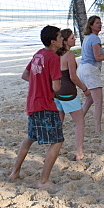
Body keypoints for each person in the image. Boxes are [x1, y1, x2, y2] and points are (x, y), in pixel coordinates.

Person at [9, 25, 64, 189]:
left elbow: (25, 75)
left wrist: (39, 84)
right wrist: (50, 86)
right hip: (45, 105)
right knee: (57, 141)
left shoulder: (38, 54)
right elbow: (56, 87)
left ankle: (14, 172)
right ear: (53, 41)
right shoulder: (53, 57)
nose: (62, 39)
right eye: (60, 36)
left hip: (33, 103)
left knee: (30, 137)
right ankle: (43, 181)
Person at [55, 28, 90, 161]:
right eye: (72, 38)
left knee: (59, 122)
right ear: (65, 41)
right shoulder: (69, 55)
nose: (74, 39)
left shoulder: (55, 54)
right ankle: (79, 153)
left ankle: (55, 149)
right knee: (79, 122)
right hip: (68, 92)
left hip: (56, 92)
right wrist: (85, 90)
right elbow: (73, 77)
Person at [78, 15, 104, 135]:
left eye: (100, 23)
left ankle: (79, 120)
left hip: (82, 69)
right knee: (98, 102)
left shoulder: (87, 38)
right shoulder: (94, 38)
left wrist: (102, 52)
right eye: (97, 23)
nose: (100, 25)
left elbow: (94, 53)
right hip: (90, 70)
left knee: (89, 99)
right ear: (91, 25)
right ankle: (98, 128)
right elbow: (97, 57)